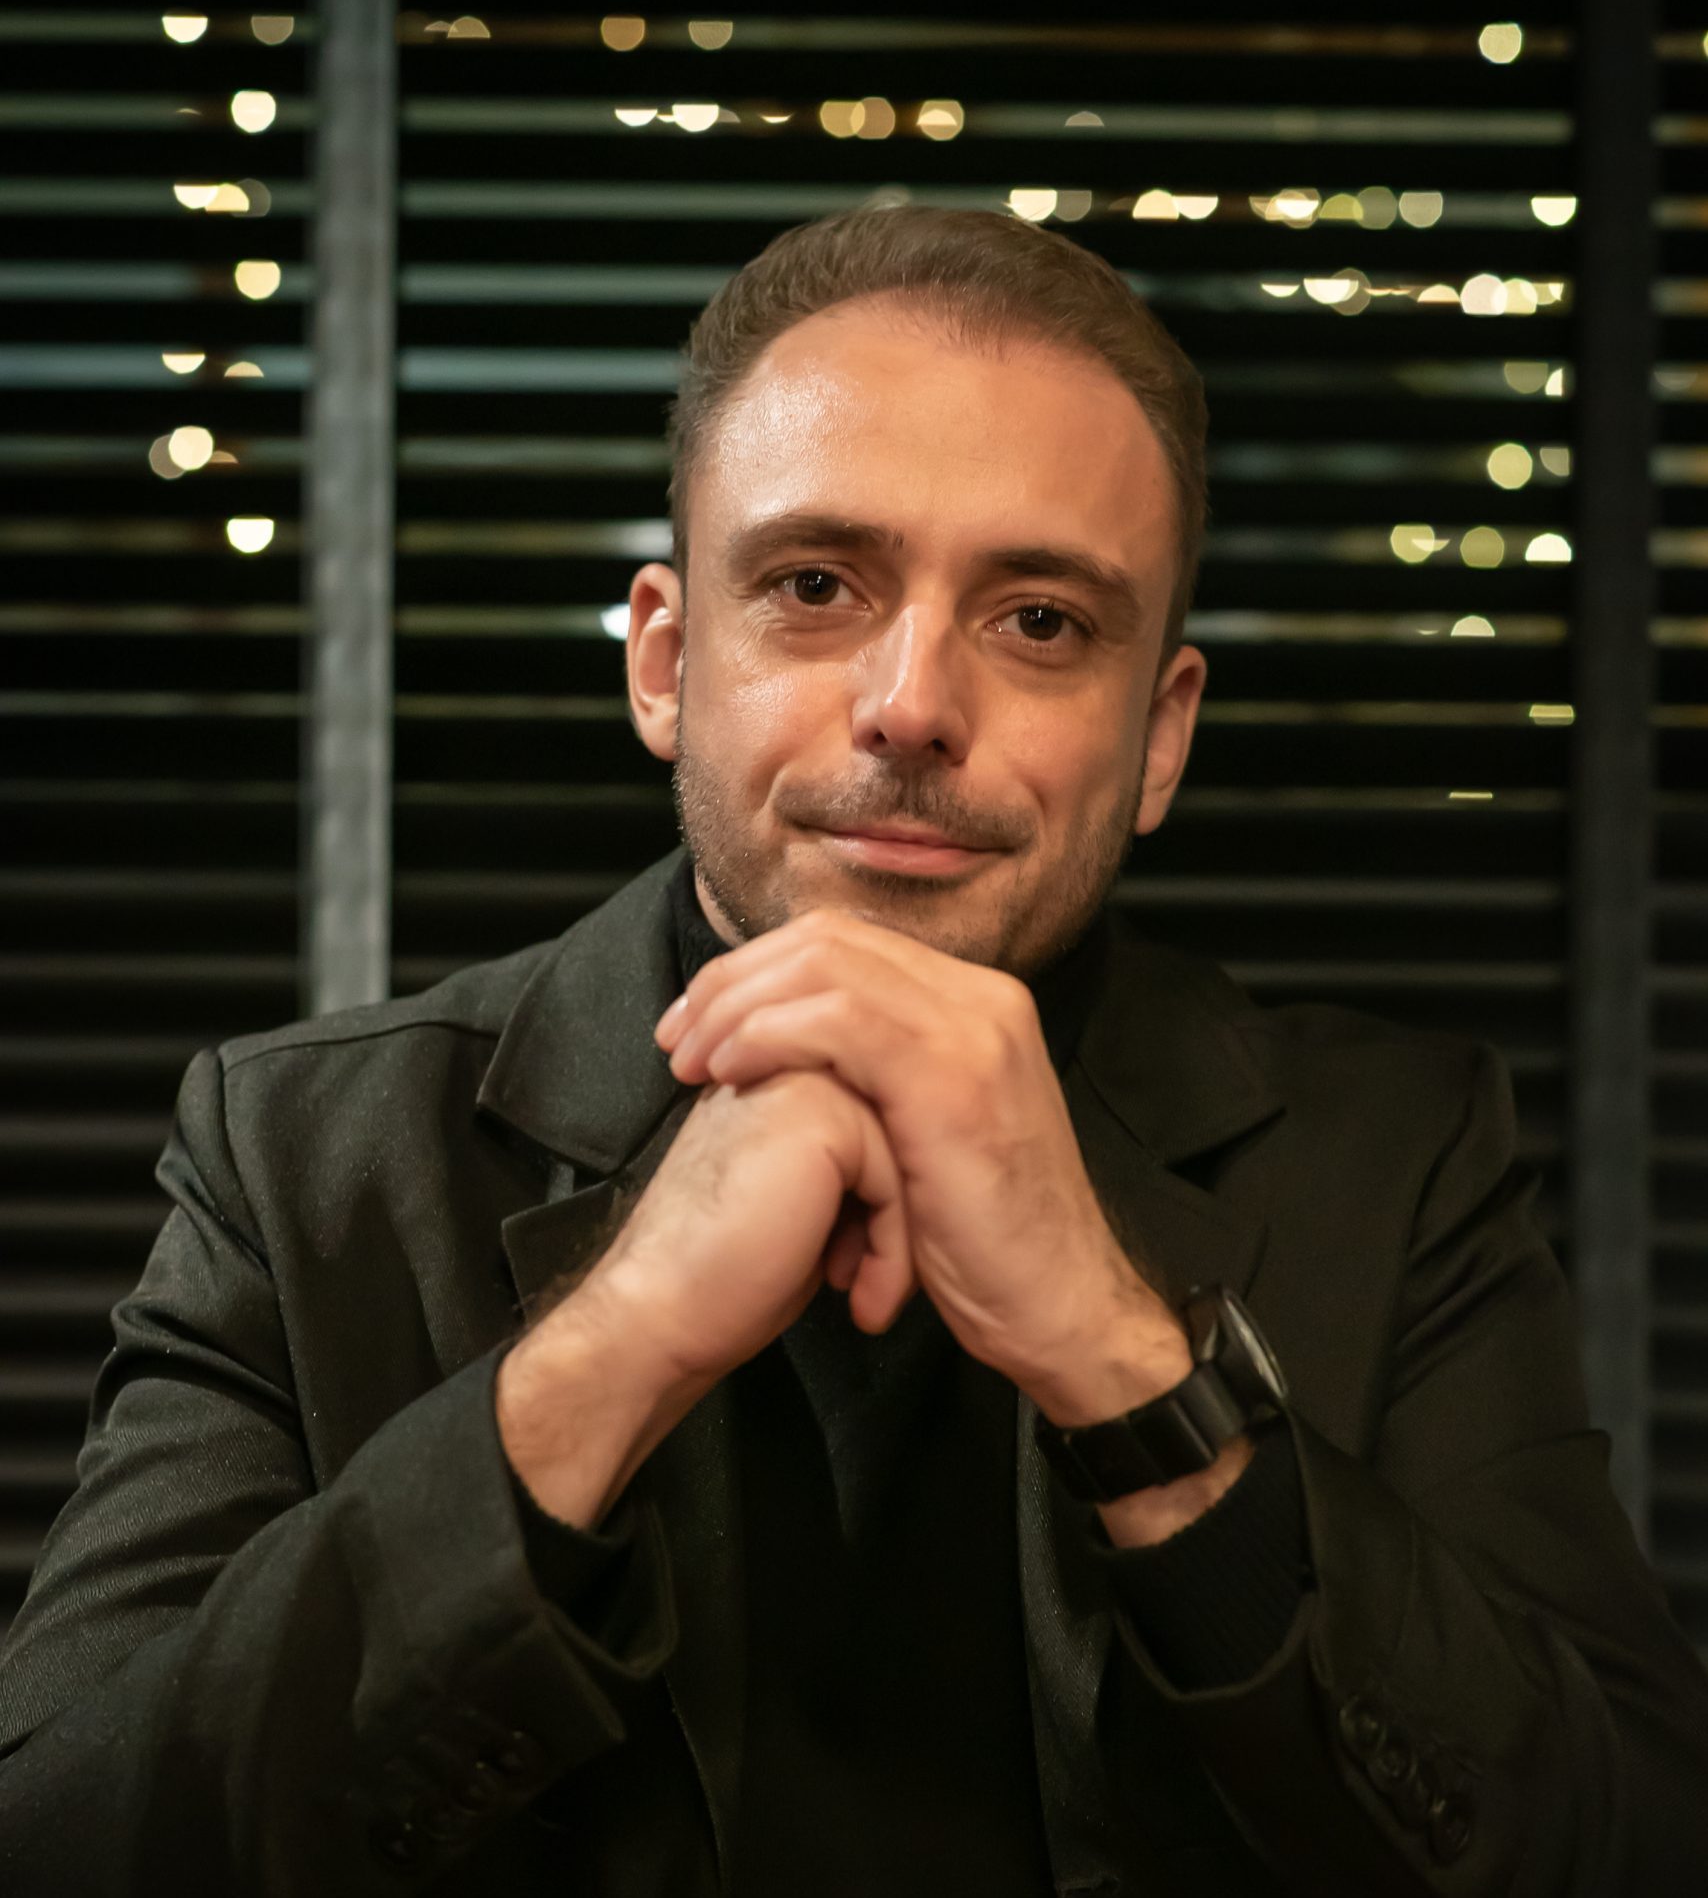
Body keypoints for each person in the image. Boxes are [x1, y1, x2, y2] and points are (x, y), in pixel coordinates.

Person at [1, 206, 1704, 1898]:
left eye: (1041, 621)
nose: (911, 705)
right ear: (668, 662)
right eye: (815, 587)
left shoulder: (1394, 1162)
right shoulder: (305, 1155)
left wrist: (1121, 1359)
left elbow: (1625, 1846)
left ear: (1160, 738)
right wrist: (613, 1348)